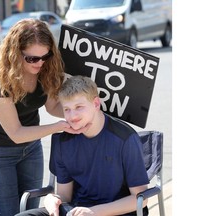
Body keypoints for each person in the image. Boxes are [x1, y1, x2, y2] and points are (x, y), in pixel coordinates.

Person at [0, 19, 88, 216]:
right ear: (15, 53)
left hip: (30, 147)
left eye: (45, 55)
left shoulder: (47, 67)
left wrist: (81, 112)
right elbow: (16, 133)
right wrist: (59, 126)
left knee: (30, 211)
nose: (40, 62)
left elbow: (52, 106)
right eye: (32, 59)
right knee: (6, 213)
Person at [16, 76, 150, 216]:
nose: (72, 115)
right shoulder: (64, 141)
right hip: (77, 210)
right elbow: (65, 197)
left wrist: (94, 212)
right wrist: (51, 199)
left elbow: (140, 199)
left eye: (79, 107)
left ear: (96, 104)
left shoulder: (125, 138)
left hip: (117, 211)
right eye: (66, 109)